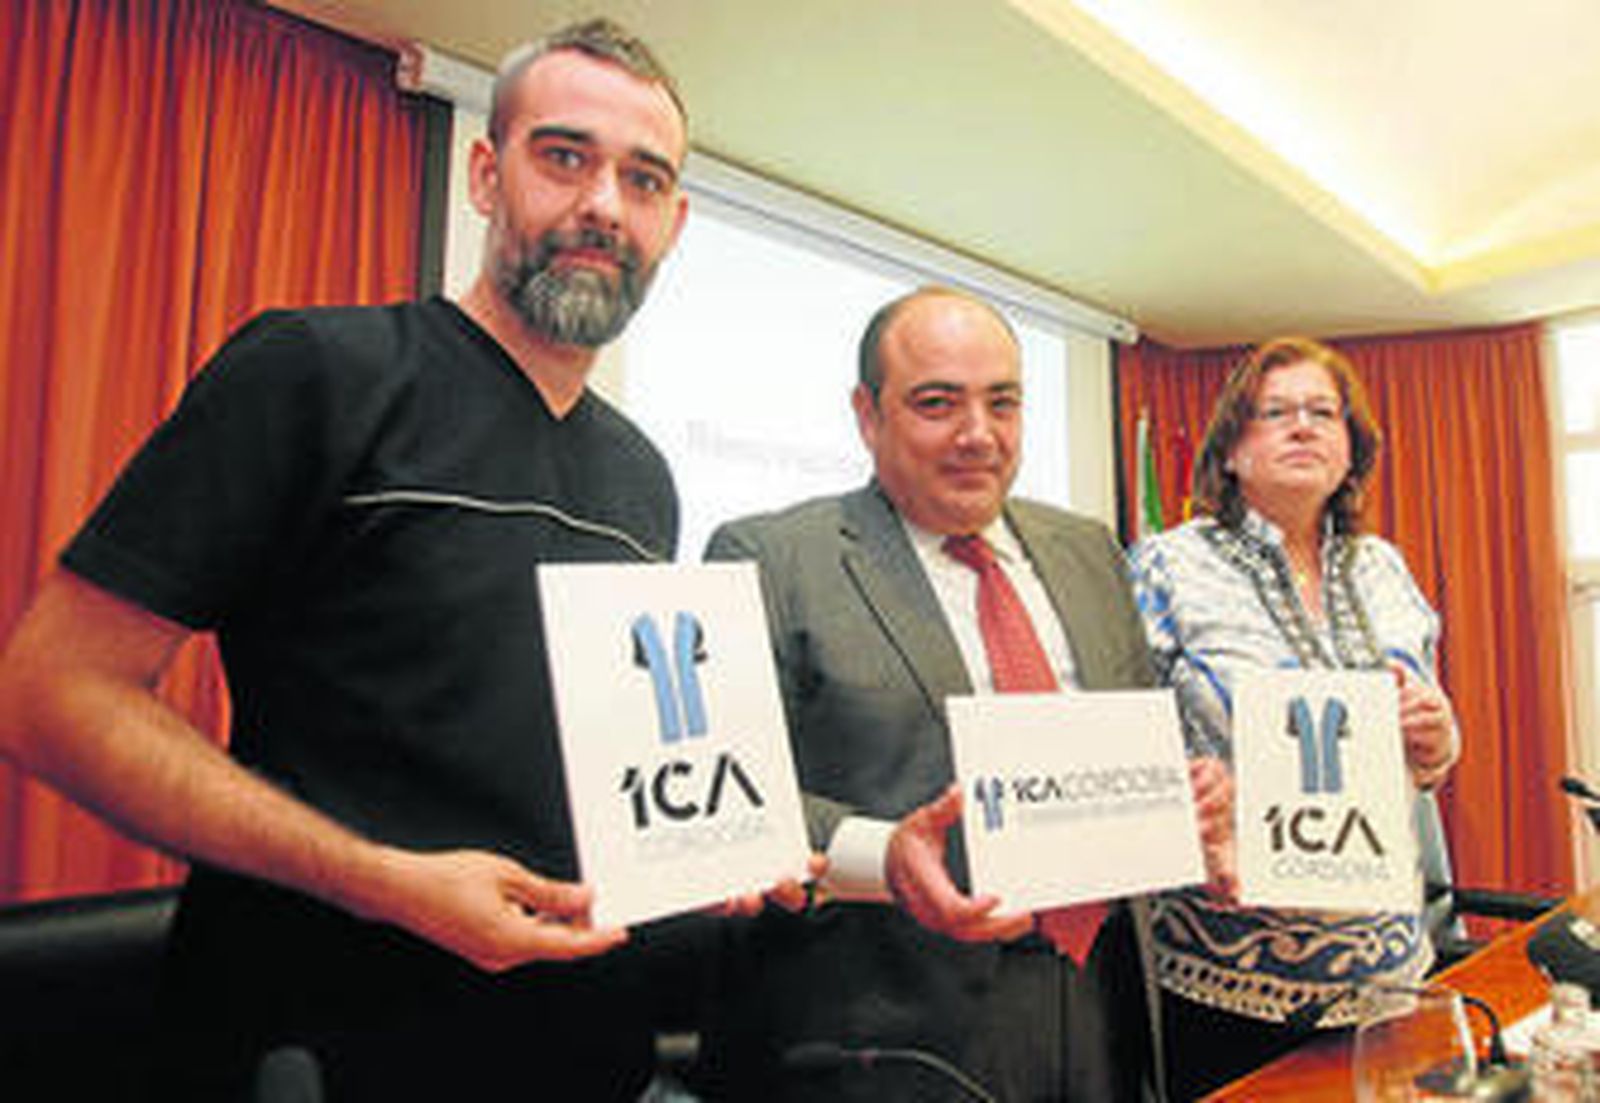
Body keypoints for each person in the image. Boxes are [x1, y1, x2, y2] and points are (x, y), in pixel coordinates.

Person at [0, 18, 722, 1101]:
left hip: (582, 1054)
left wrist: (716, 851)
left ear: (673, 220)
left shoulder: (642, 477)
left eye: (643, 178)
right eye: (564, 156)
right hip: (315, 1046)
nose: (603, 206)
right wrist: (382, 880)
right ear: (486, 174)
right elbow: (51, 693)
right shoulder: (317, 371)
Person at [699, 286, 1227, 1102]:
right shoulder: (770, 557)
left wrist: (1188, 800)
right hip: (887, 1028)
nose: (978, 434)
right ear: (867, 415)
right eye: (937, 403)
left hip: (1103, 1001)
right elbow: (727, 801)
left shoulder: (1089, 550)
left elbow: (1136, 746)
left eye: (1002, 402)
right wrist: (883, 855)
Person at [1128, 336, 1460, 1100]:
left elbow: (1430, 755)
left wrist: (1439, 738)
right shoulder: (1166, 564)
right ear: (1231, 448)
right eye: (1275, 412)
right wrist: (1192, 809)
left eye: (1322, 412)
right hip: (1224, 979)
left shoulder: (1384, 567)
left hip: (1390, 973)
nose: (1303, 426)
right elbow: (1124, 742)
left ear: (1352, 446)